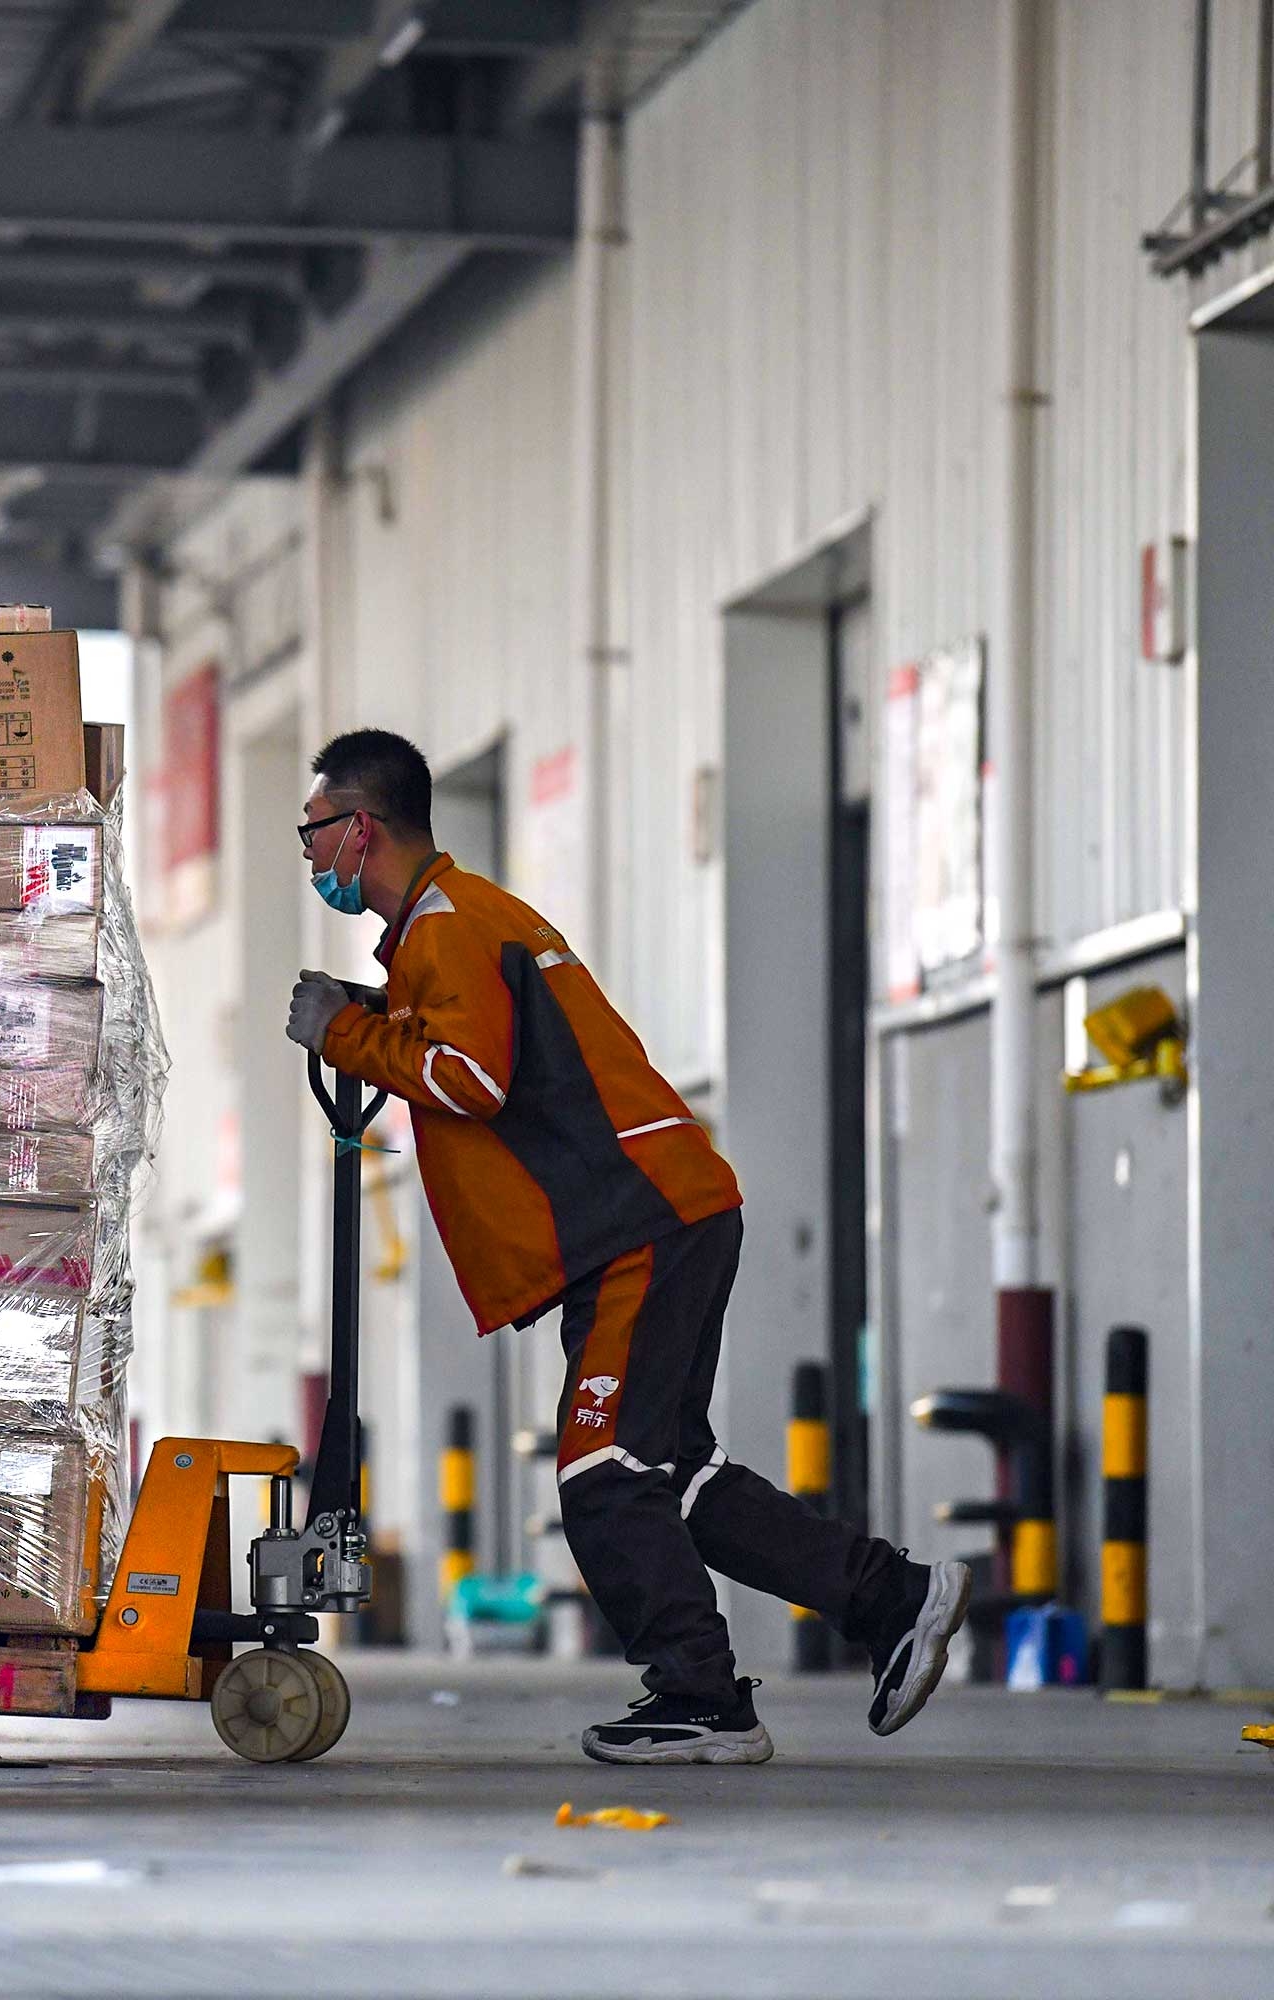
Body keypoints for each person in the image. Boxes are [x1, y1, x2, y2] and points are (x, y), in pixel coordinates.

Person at [286, 728, 968, 1765]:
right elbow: (474, 1043)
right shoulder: (453, 925)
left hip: (639, 1221)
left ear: (361, 827)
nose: (305, 850)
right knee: (672, 1470)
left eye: (312, 827)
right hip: (652, 1216)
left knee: (605, 1470)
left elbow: (472, 1078)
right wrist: (371, 1011)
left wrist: (343, 1032)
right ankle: (893, 1597)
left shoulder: (451, 922)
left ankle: (701, 1694)